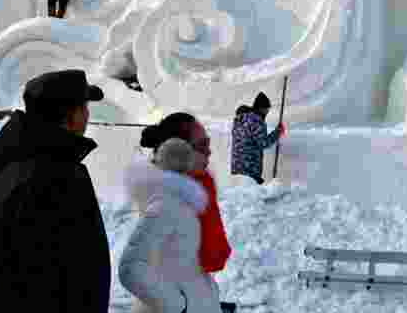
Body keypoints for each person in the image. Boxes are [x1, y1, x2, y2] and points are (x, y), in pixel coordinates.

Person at [0, 69, 110, 312]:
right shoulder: (56, 172)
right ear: (70, 115)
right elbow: (74, 267)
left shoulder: (16, 162)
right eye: (84, 107)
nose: (88, 115)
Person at [119, 137, 222, 313]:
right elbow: (131, 269)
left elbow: (185, 261)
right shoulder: (165, 207)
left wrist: (207, 292)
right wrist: (178, 305)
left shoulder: (181, 204)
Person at [139, 113, 232, 279]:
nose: (209, 151)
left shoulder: (166, 184)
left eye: (208, 143)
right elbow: (213, 257)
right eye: (202, 145)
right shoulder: (176, 196)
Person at [231, 92, 286, 184]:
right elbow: (264, 143)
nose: (267, 112)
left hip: (237, 168)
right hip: (249, 169)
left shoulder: (239, 120)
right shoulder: (257, 121)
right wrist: (278, 132)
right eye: (267, 109)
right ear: (261, 108)